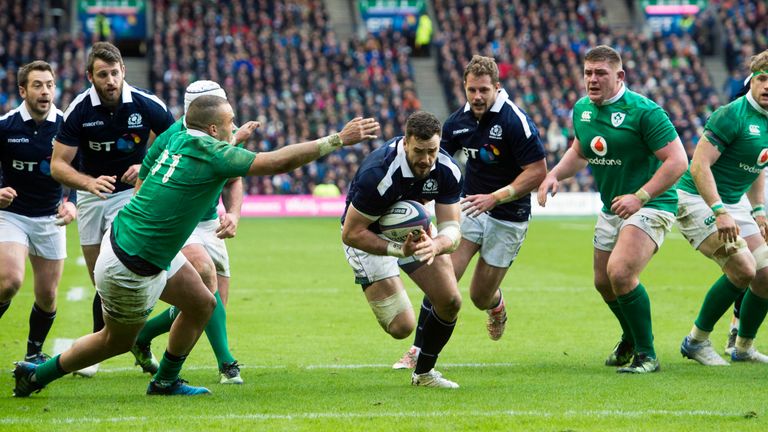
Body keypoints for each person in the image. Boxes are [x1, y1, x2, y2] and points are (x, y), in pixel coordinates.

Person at [12, 95, 380, 397]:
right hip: (132, 265)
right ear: (214, 128)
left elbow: (215, 150)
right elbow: (275, 162)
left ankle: (166, 380)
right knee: (113, 341)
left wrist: (236, 139)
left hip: (134, 242)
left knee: (204, 302)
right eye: (231, 122)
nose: (235, 127)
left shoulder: (180, 137)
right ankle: (38, 375)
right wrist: (336, 139)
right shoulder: (213, 152)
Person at [537, 45, 688, 373]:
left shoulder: (645, 112)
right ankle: (632, 337)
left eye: (600, 73)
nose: (592, 79)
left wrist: (641, 196)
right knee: (603, 283)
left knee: (620, 273)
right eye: (588, 72)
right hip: (612, 208)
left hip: (652, 203)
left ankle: (647, 355)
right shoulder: (582, 110)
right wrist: (554, 174)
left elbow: (678, 161)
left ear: (619, 76)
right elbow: (580, 150)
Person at [392, 55, 546, 369]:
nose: (477, 96)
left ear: (497, 88)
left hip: (509, 215)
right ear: (464, 87)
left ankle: (497, 305)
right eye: (472, 90)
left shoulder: (514, 121)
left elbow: (537, 171)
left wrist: (497, 197)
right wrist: (422, 201)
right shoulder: (456, 123)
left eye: (484, 90)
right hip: (471, 207)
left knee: (479, 296)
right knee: (442, 278)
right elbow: (436, 164)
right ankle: (418, 350)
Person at [50, 42, 175, 377]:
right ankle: (129, 338)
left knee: (117, 265)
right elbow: (58, 165)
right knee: (100, 280)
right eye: (102, 74)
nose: (110, 80)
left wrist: (147, 166)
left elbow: (178, 143)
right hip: (92, 196)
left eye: (115, 73)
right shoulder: (79, 110)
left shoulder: (146, 104)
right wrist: (87, 183)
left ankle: (98, 349)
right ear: (89, 76)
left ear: (124, 71)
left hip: (131, 196)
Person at [129, 80, 246, 384]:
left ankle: (143, 334)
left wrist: (232, 213)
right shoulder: (170, 138)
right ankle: (227, 364)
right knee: (204, 278)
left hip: (210, 222)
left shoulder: (225, 131)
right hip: (182, 222)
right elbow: (143, 185)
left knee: (209, 303)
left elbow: (233, 179)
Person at [341, 111, 463, 388]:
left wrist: (436, 244)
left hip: (414, 233)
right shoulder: (379, 174)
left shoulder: (448, 169)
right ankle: (382, 278)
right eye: (419, 151)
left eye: (432, 150)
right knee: (401, 327)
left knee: (450, 300)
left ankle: (423, 374)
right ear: (406, 143)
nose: (426, 159)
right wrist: (398, 250)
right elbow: (351, 233)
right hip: (368, 236)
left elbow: (453, 230)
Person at [677, 50, 768, 366]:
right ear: (752, 81)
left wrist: (758, 210)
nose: (767, 85)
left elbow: (759, 165)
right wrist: (719, 210)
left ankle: (742, 346)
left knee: (766, 273)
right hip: (696, 199)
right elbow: (699, 165)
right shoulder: (732, 115)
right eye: (762, 78)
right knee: (743, 268)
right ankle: (695, 341)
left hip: (735, 204)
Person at [0, 61, 77, 365]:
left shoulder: (66, 126)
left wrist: (72, 203)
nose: (45, 91)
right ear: (23, 90)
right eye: (37, 85)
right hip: (12, 215)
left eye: (49, 85)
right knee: (9, 281)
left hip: (50, 218)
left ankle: (33, 353)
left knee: (47, 295)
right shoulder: (5, 127)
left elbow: (83, 171)